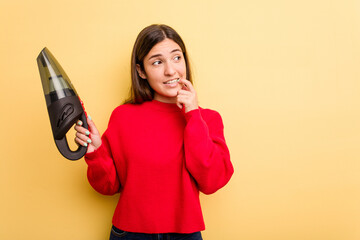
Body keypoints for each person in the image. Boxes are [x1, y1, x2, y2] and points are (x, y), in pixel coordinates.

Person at [75, 24, 234, 240]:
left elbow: (212, 181)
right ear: (141, 71)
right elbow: (109, 186)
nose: (171, 70)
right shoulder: (123, 117)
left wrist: (192, 115)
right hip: (129, 234)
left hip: (184, 234)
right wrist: (96, 152)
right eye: (157, 62)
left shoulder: (207, 119)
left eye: (177, 58)